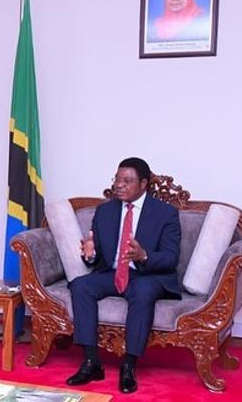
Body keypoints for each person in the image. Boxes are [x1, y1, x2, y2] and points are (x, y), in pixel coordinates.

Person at [65, 157, 181, 394]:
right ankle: (91, 361)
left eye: (127, 181)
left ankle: (129, 365)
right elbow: (98, 256)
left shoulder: (166, 214)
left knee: (143, 290)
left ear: (144, 184)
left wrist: (144, 255)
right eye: (117, 179)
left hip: (147, 275)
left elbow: (171, 258)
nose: (119, 185)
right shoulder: (104, 211)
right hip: (113, 273)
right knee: (80, 285)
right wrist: (90, 254)